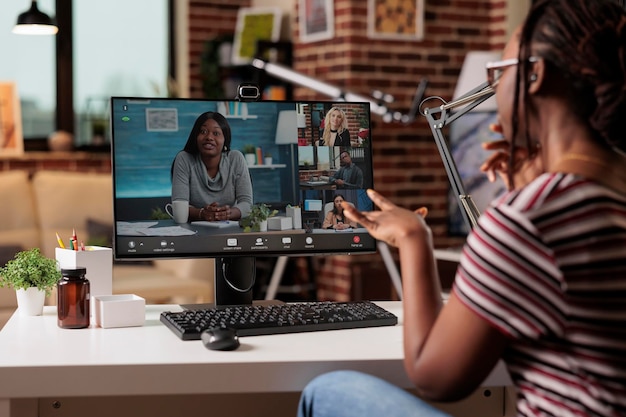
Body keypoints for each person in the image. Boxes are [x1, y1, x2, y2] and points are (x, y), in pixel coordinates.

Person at [297, 1, 626, 416]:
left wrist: (413, 237)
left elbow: (435, 378)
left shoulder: (530, 216)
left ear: (534, 75)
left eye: (499, 72)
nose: (493, 87)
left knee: (327, 390)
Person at [171, 111, 253, 222]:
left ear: (225, 140)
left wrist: (227, 214)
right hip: (193, 231)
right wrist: (202, 214)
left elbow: (247, 203)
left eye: (216, 133)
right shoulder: (184, 159)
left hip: (229, 228)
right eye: (203, 131)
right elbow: (179, 204)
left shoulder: (235, 159)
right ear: (196, 136)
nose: (209, 137)